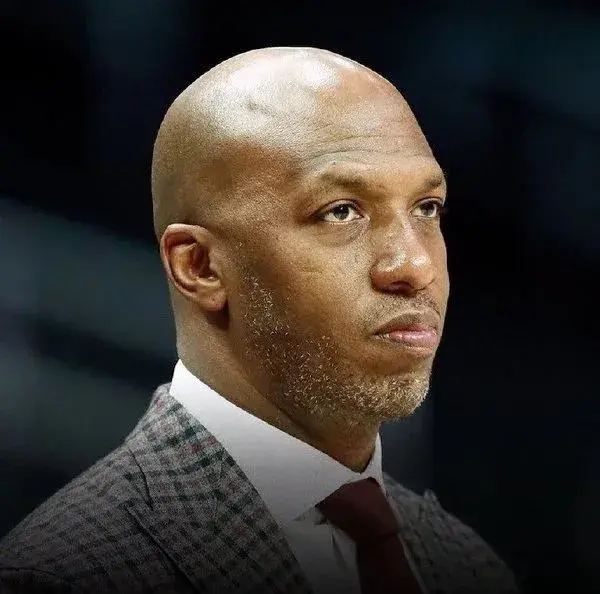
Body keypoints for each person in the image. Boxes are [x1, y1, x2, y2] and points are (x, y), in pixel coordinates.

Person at [0, 47, 518, 594]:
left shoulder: (468, 565)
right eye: (341, 211)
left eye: (426, 208)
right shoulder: (63, 575)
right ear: (199, 267)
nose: (414, 266)